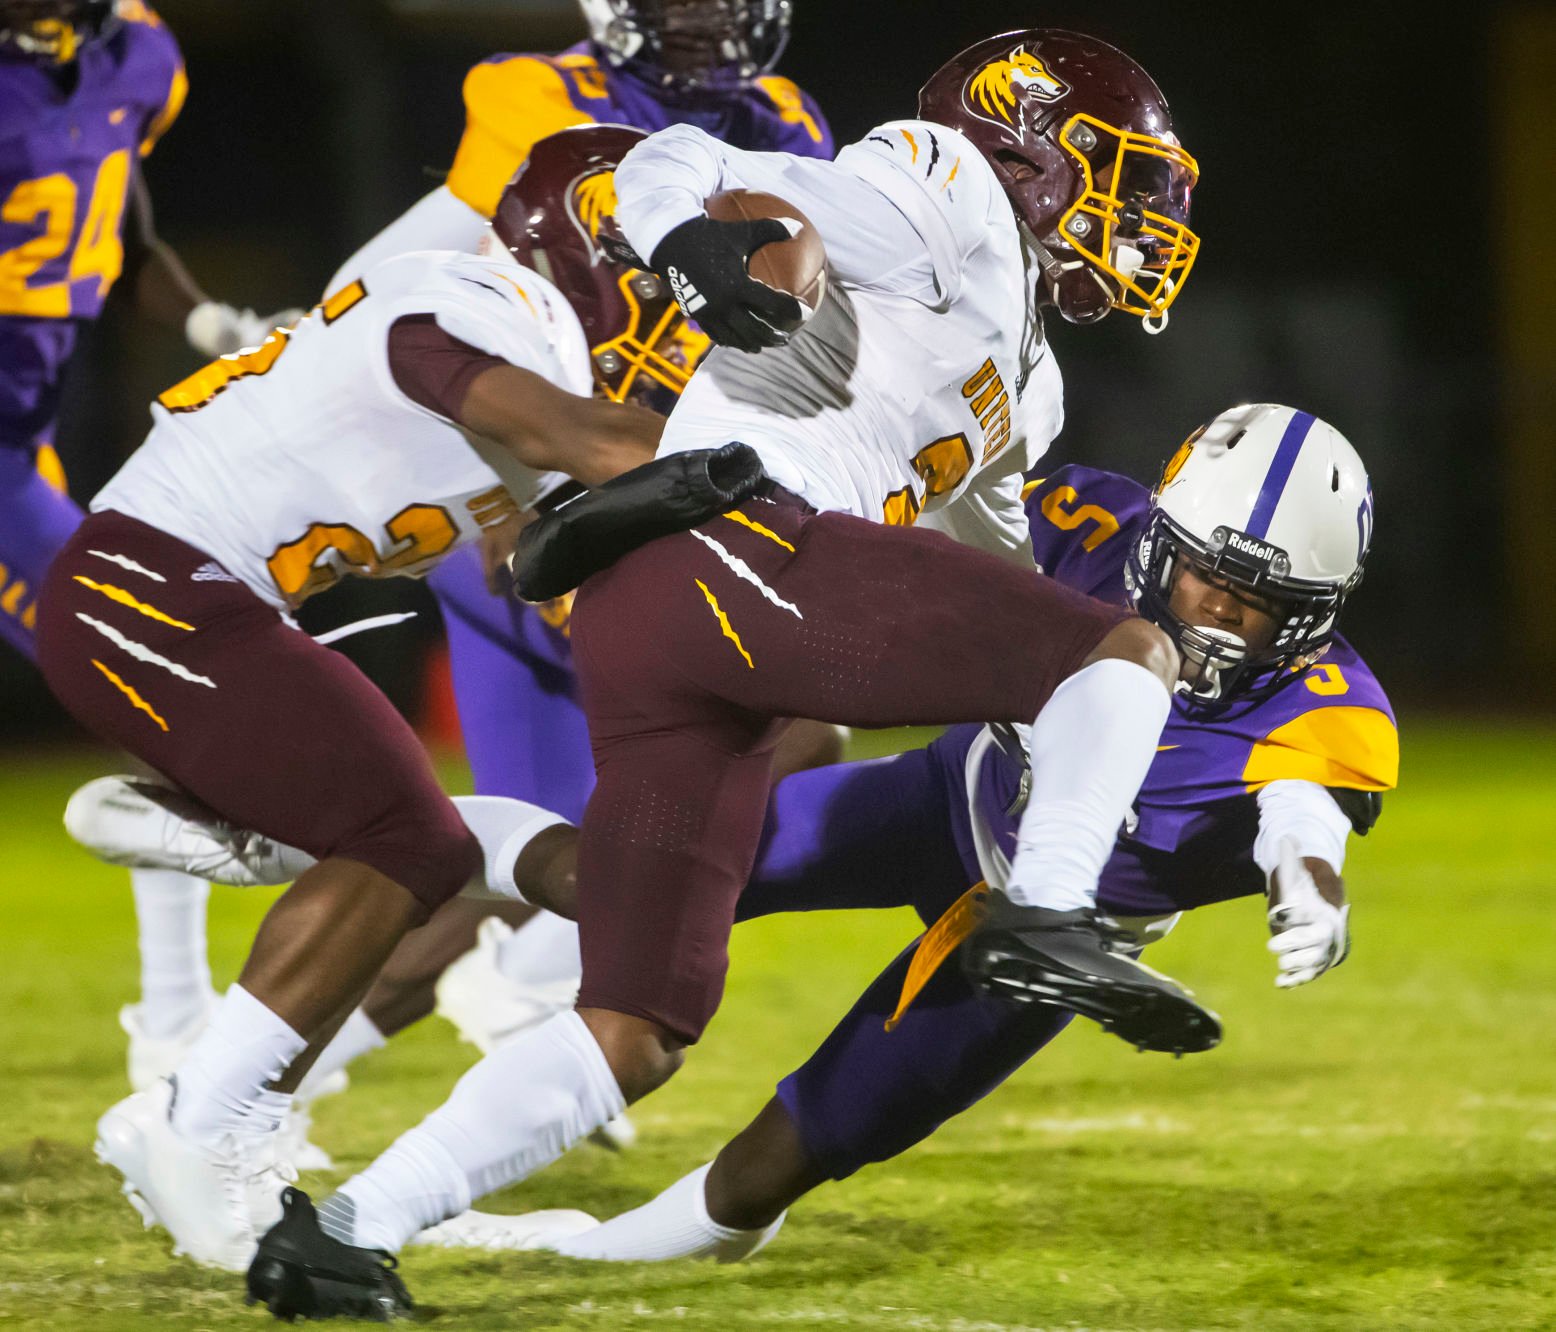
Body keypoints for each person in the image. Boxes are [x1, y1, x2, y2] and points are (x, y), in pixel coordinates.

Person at [234, 27, 1219, 1320]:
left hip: (673, 614)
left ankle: (342, 1229)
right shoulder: (949, 183)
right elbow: (681, 157)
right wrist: (689, 240)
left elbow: (1003, 579)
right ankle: (1045, 912)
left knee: (637, 1029)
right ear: (1031, 144)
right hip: (737, 540)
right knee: (1127, 644)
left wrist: (1069, 741)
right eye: (1118, 180)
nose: (1137, 223)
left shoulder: (1028, 381)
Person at [75, 406, 1394, 1269]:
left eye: (1261, 602)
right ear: (1164, 534)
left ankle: (618, 1242)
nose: (1218, 615)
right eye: (1207, 573)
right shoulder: (1100, 522)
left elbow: (1300, 806)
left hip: (1053, 933)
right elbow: (939, 525)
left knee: (785, 1155)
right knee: (617, 887)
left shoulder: (1334, 711)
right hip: (946, 792)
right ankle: (348, 835)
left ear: (1320, 614)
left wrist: (1308, 885)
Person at [107, 0, 838, 1103]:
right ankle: (285, 1045)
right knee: (772, 744)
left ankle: (242, 1087)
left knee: (519, 870)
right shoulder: (541, 98)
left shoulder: (782, 114)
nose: (711, 16)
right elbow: (402, 277)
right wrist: (503, 498)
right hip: (546, 487)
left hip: (637, 482)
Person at [36, 125, 693, 1273]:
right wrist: (781, 467)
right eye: (656, 268)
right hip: (158, 586)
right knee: (401, 837)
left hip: (185, 598)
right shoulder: (479, 300)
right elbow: (572, 439)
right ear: (590, 255)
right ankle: (197, 1123)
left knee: (428, 834)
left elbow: (524, 562)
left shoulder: (538, 354)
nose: (673, 300)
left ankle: (244, 862)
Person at [1, 0, 297, 1089]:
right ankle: (173, 1027)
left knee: (160, 693)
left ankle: (173, 1023)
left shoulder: (140, 54)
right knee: (153, 682)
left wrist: (209, 324)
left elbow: (120, 235)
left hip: (14, 452)